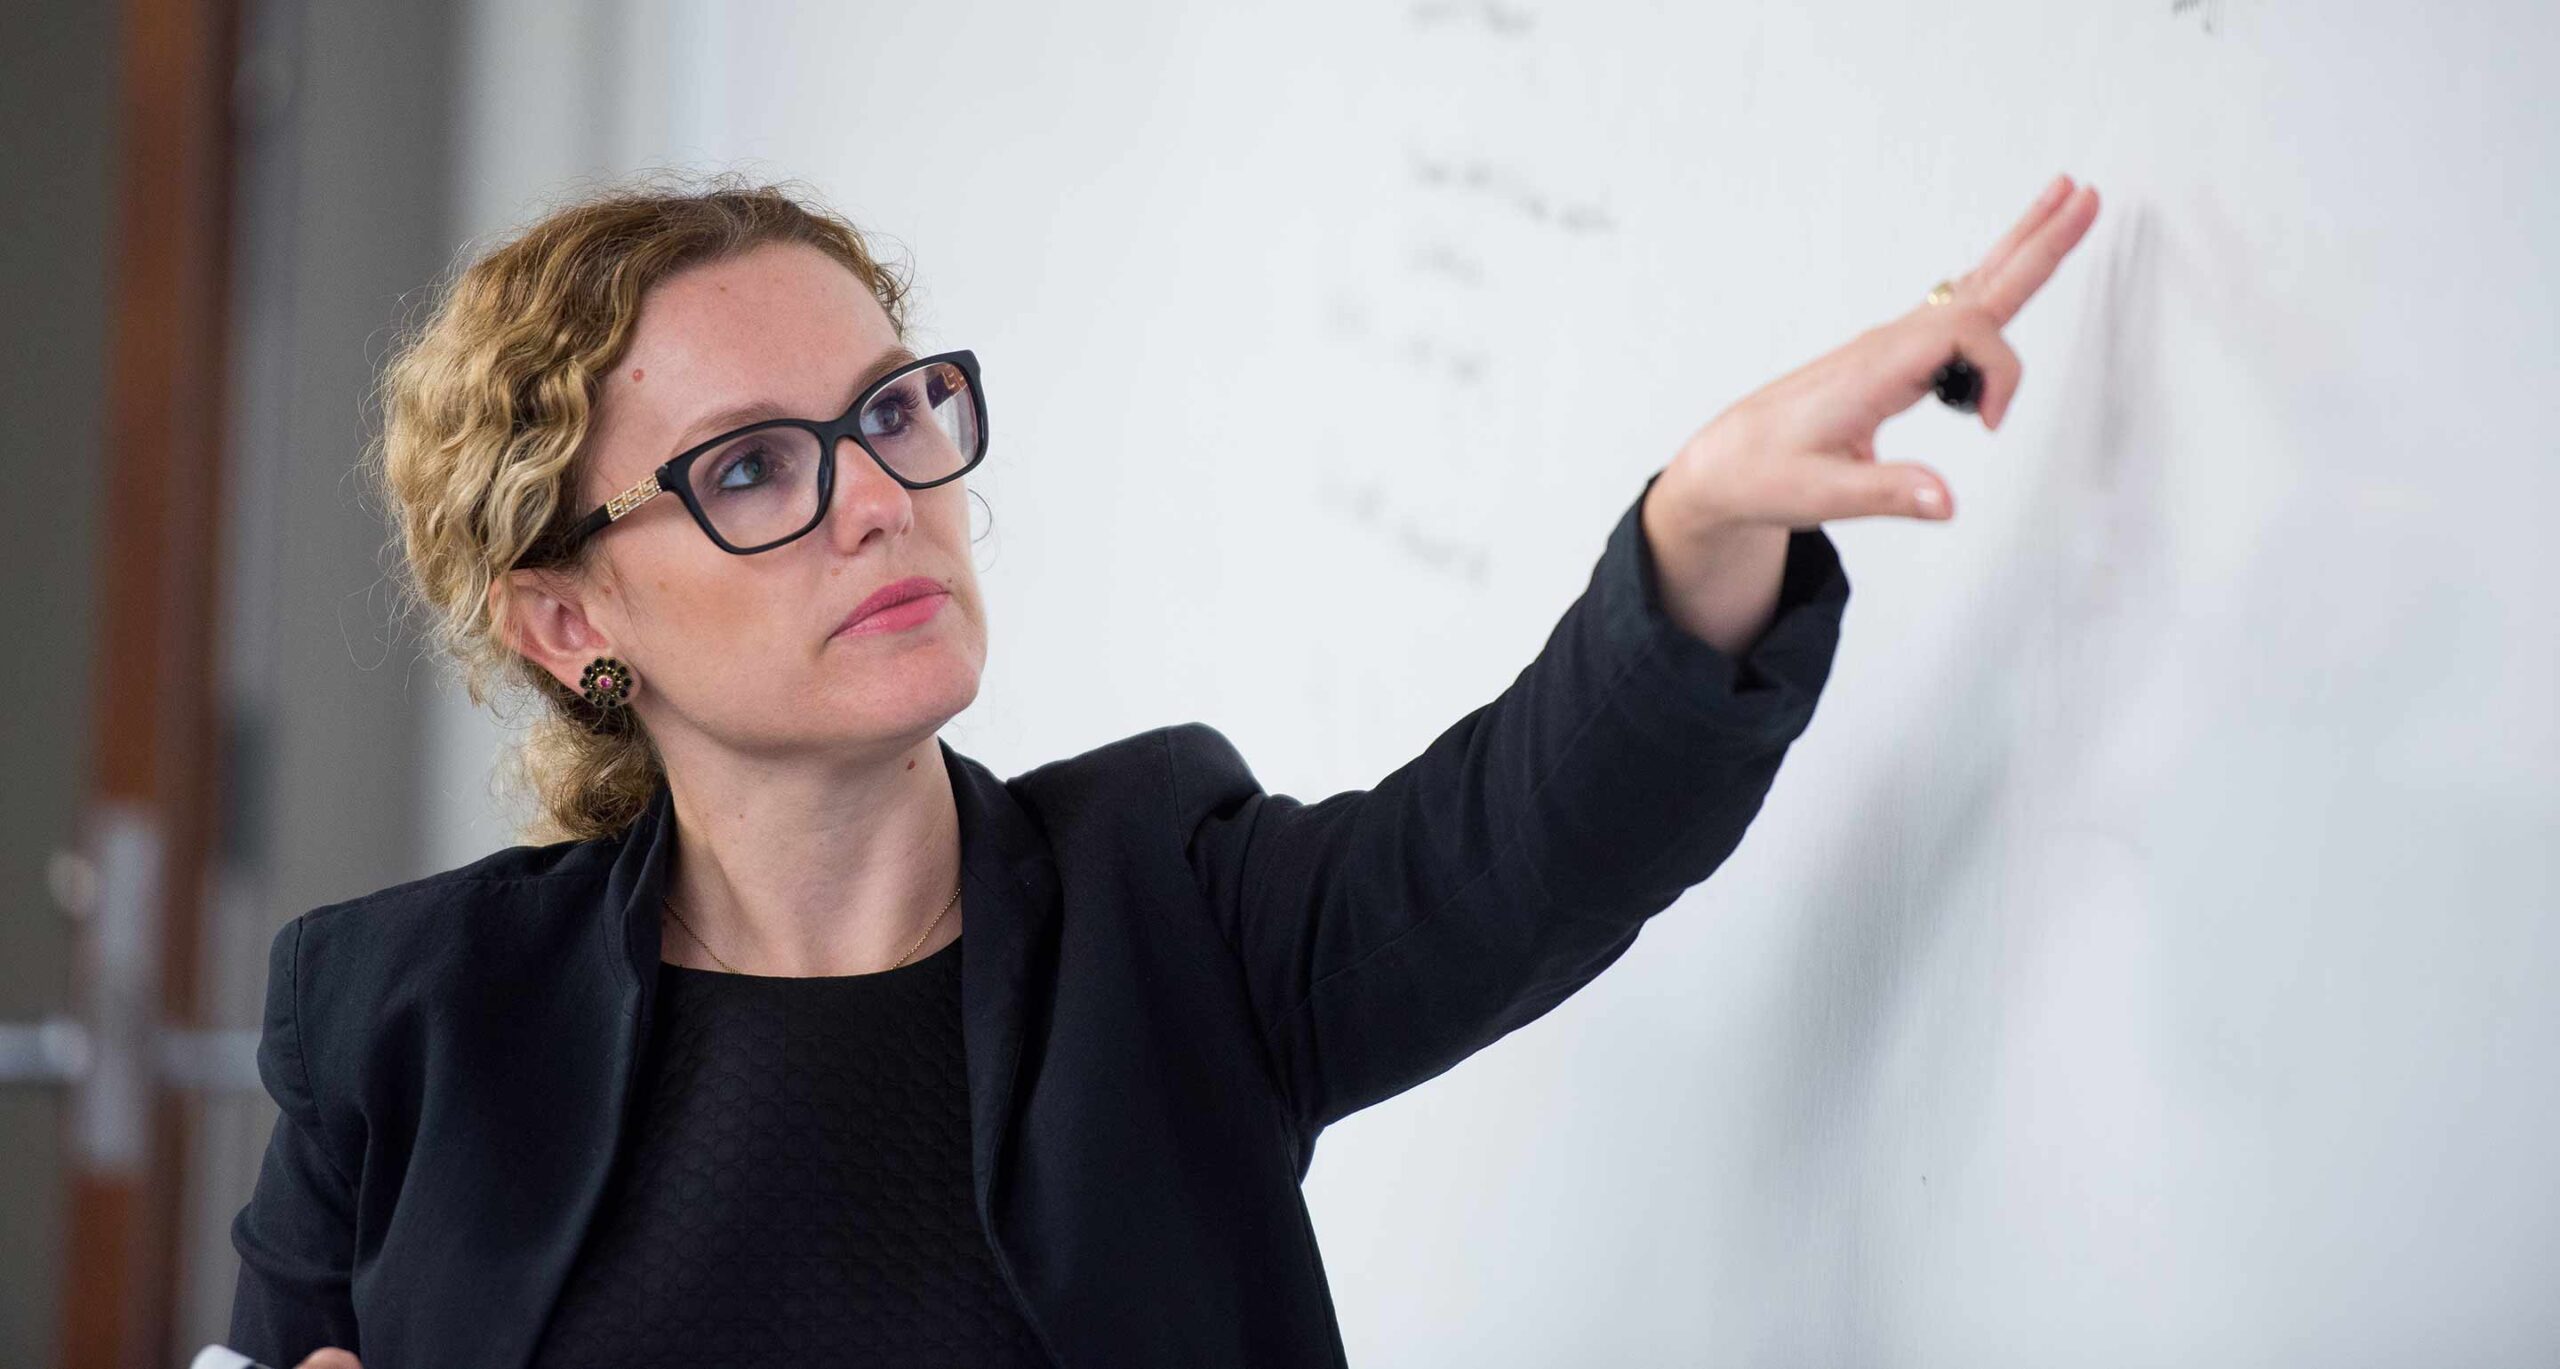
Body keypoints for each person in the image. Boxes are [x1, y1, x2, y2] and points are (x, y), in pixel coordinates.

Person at [226, 169, 2097, 1367]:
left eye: (891, 412)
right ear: (569, 623)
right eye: (751, 466)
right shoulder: (399, 1013)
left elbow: (1515, 847)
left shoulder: (1166, 902)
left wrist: (1697, 529)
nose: (880, 498)